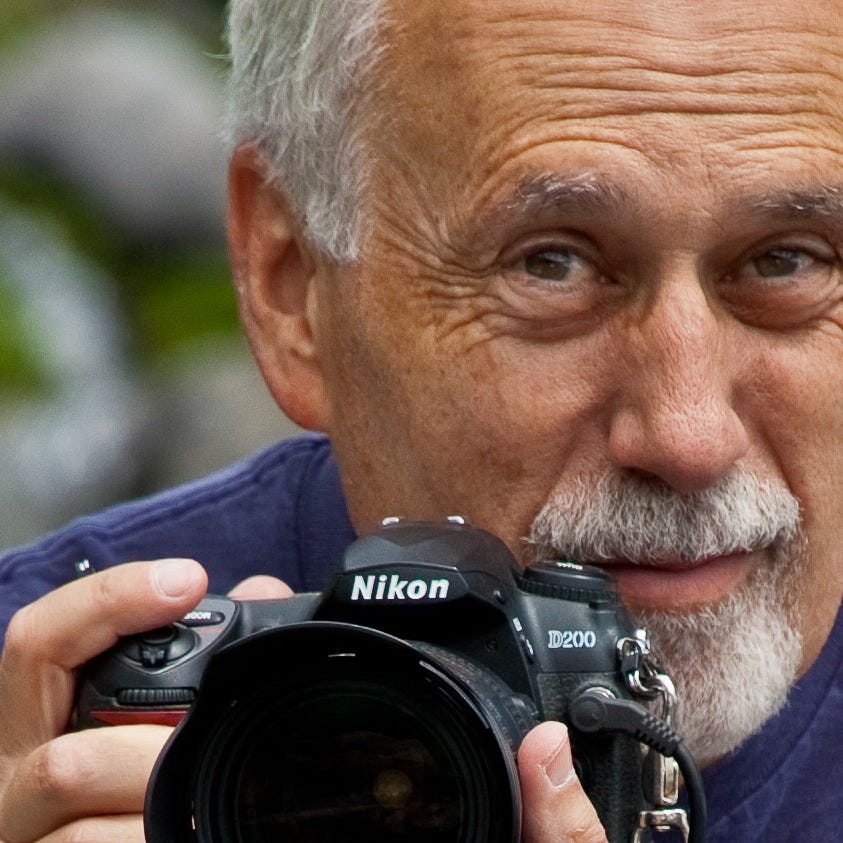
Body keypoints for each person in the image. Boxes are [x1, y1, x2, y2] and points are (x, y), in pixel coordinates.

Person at [1, 0, 842, 840]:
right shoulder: (38, 708)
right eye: (551, 264)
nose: (687, 437)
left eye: (786, 260)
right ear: (292, 284)